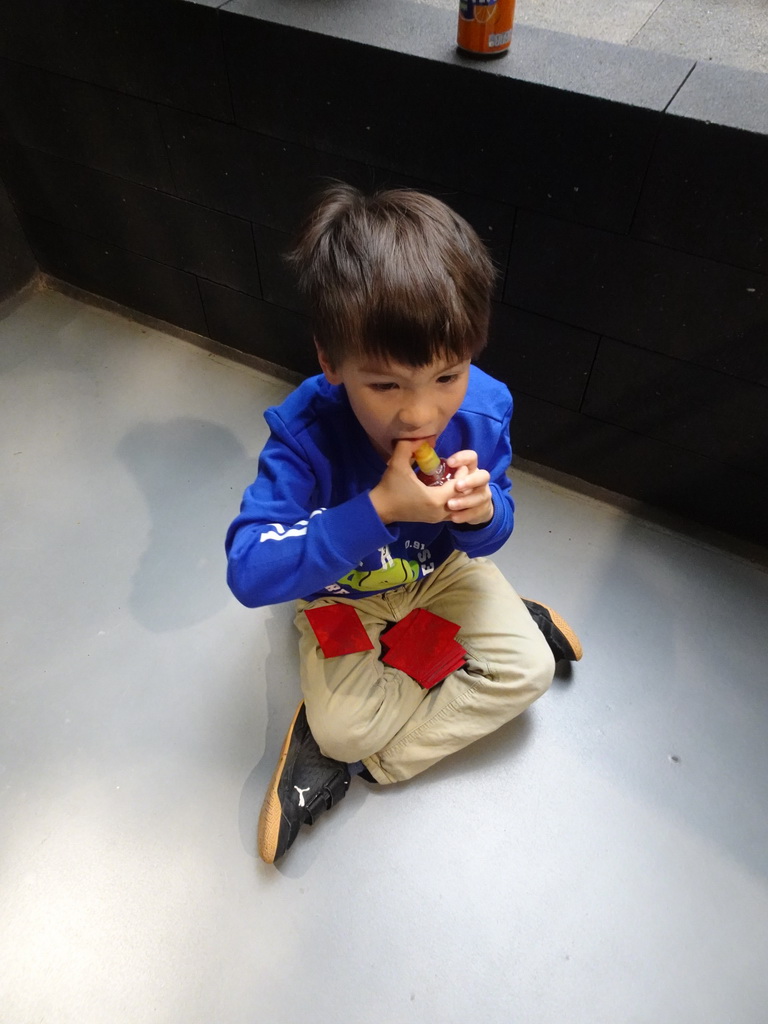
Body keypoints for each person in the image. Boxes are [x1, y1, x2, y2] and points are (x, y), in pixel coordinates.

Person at [225, 184, 582, 864]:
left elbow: (496, 524)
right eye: (386, 386)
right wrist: (378, 511)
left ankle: (366, 764)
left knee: (527, 675)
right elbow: (249, 569)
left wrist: (481, 513)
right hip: (340, 595)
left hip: (443, 571)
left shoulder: (484, 409)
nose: (421, 415)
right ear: (332, 364)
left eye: (448, 375)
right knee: (343, 728)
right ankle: (335, 736)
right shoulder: (305, 433)